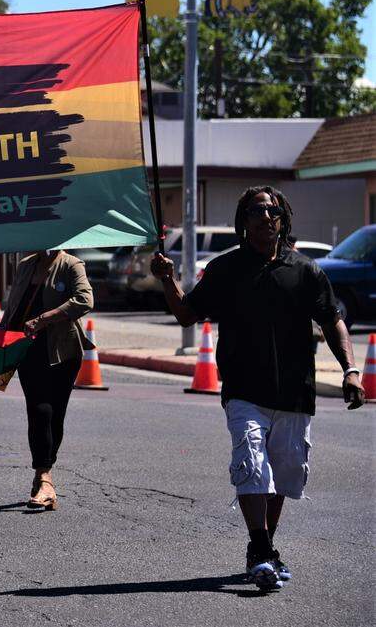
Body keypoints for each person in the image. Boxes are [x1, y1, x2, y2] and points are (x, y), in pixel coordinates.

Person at [151, 186, 364, 591]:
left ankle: (262, 548)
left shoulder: (305, 271)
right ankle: (262, 549)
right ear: (243, 221)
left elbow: (333, 319)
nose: (267, 217)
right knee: (252, 464)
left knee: (283, 475)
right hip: (244, 389)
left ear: (284, 219)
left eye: (274, 211)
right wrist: (168, 280)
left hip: (295, 391)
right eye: (257, 211)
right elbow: (185, 314)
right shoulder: (225, 269)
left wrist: (351, 369)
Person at [2, 249, 94, 511]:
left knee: (55, 415)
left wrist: (44, 319)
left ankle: (44, 472)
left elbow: (85, 300)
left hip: (62, 351)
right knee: (38, 409)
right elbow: (13, 304)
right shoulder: (25, 265)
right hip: (27, 350)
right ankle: (44, 475)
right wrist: (0, 339)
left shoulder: (72, 265)